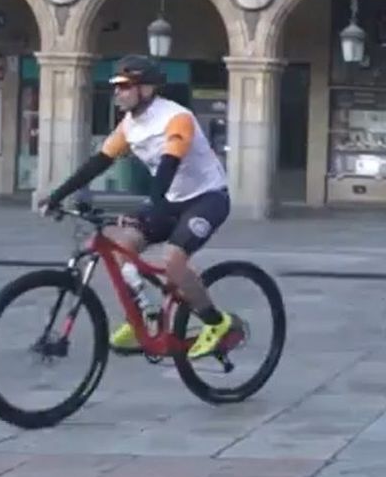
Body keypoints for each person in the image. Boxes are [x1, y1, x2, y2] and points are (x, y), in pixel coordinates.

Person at [36, 55, 240, 359]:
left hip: (206, 198)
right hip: (170, 199)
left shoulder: (176, 118)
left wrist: (152, 206)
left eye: (124, 86)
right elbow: (98, 163)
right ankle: (146, 316)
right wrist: (57, 196)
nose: (117, 92)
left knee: (173, 260)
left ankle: (217, 323)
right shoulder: (129, 125)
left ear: (146, 89)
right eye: (115, 86)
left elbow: (169, 165)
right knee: (120, 245)